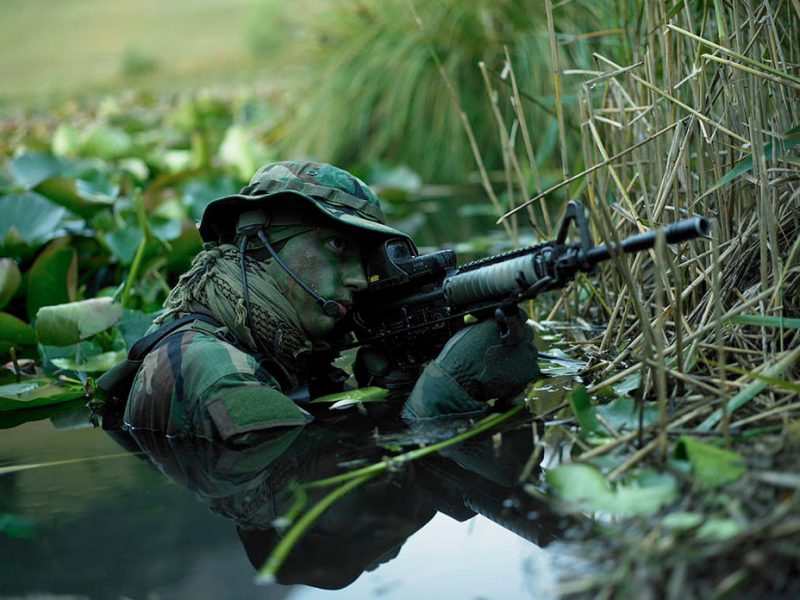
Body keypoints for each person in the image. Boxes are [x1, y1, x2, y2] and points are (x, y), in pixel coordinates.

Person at [99, 161, 540, 443]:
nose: (356, 278)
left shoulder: (282, 350)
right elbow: (309, 475)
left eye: (364, 259)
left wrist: (396, 389)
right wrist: (438, 401)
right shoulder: (209, 368)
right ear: (258, 244)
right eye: (336, 245)